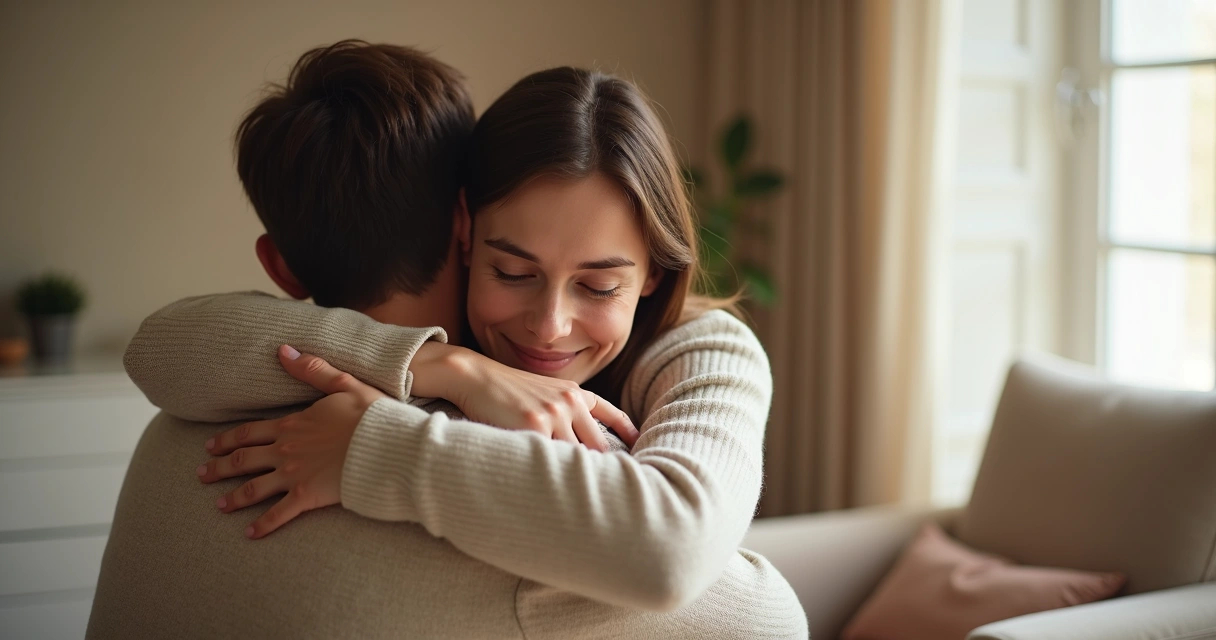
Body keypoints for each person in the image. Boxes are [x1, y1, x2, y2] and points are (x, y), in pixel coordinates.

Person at [89, 41, 805, 638]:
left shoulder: (706, 356)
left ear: (655, 270)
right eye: (512, 269)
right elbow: (158, 346)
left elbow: (684, 555)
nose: (549, 325)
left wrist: (374, 448)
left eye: (598, 284)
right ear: (465, 232)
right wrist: (440, 364)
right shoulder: (503, 466)